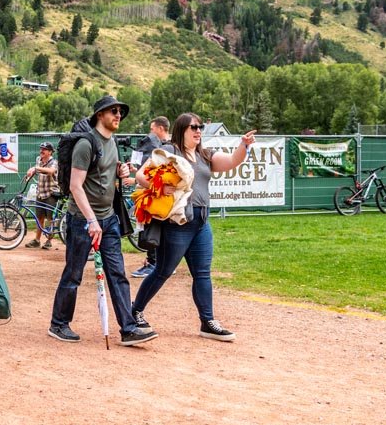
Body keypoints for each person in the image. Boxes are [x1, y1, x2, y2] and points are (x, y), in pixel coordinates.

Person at [131, 114, 256, 342]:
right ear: (182, 129)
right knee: (162, 271)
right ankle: (134, 312)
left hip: (201, 223)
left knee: (202, 273)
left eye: (200, 127)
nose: (198, 131)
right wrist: (159, 186)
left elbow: (231, 162)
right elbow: (140, 175)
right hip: (178, 224)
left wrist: (243, 146)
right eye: (194, 127)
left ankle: (207, 322)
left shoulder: (203, 154)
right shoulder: (170, 152)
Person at [49, 96, 157, 346]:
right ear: (100, 115)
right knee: (74, 273)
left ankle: (128, 328)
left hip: (108, 219)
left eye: (120, 111)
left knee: (117, 273)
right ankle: (59, 323)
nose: (118, 115)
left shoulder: (112, 143)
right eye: (113, 111)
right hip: (82, 220)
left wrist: (120, 171)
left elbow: (106, 171)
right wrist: (90, 220)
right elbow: (76, 186)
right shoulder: (86, 145)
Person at [130, 116, 171, 278]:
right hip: (160, 193)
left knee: (153, 226)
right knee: (162, 229)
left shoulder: (161, 148)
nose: (150, 132)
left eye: (152, 128)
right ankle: (161, 263)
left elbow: (154, 175)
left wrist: (135, 178)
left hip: (157, 195)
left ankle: (154, 264)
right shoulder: (169, 147)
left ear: (160, 128)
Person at [24, 141, 60, 249]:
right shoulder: (38, 160)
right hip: (40, 193)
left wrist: (36, 169)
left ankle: (49, 241)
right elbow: (36, 170)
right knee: (39, 218)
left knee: (50, 218)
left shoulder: (54, 162)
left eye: (44, 149)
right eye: (41, 149)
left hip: (50, 193)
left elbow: (51, 171)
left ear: (50, 152)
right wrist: (30, 174)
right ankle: (37, 240)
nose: (41, 151)